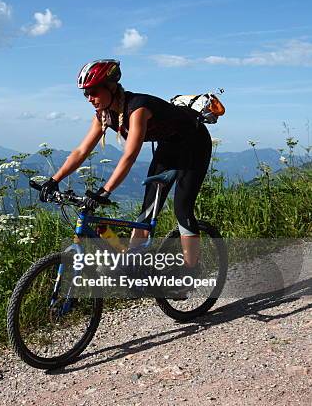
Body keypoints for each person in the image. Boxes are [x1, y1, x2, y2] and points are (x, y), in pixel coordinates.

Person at [39, 59, 211, 289]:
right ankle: (134, 267)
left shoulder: (137, 108)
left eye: (93, 92)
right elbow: (81, 151)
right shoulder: (103, 114)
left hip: (195, 144)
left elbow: (129, 156)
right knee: (147, 211)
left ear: (110, 87)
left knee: (182, 207)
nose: (90, 98)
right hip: (169, 147)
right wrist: (53, 180)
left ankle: (192, 272)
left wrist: (104, 191)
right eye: (85, 94)